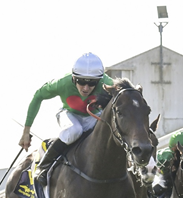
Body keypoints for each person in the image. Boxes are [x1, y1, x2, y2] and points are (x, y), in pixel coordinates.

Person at [18, 52, 114, 187]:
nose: (86, 88)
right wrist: (26, 131)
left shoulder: (107, 83)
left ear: (99, 80)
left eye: (92, 83)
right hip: (68, 114)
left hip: (92, 116)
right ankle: (44, 166)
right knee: (75, 130)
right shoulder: (62, 83)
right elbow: (38, 96)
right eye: (81, 82)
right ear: (74, 78)